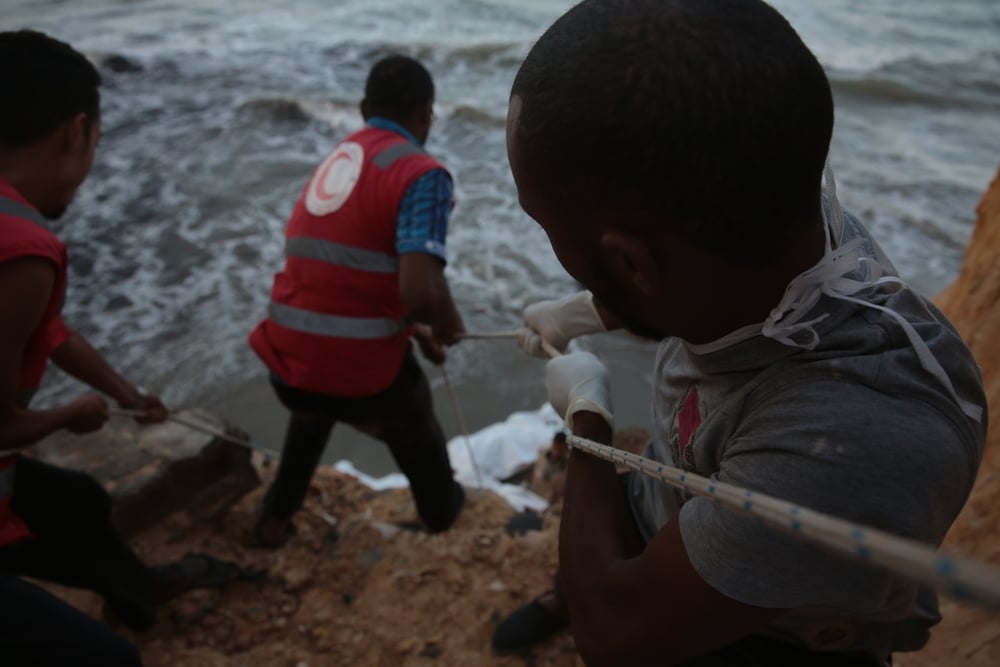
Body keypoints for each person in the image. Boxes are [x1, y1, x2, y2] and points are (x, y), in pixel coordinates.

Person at [491, 1, 987, 665]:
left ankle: (580, 586)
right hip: (674, 489)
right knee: (633, 513)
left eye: (543, 224)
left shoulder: (843, 444)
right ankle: (567, 589)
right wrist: (590, 309)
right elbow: (680, 272)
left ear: (633, 264)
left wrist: (588, 423)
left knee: (613, 596)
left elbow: (613, 636)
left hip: (772, 631)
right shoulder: (779, 228)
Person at [0, 30, 246, 665]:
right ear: (74, 133)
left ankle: (136, 592)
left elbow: (48, 333)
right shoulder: (23, 247)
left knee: (78, 500)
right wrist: (66, 416)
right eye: (95, 146)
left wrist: (125, 396)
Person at [249, 54, 467, 547]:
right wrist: (446, 323)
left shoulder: (338, 160)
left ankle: (273, 520)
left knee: (312, 415)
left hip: (287, 364)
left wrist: (418, 329)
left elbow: (352, 276)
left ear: (365, 107)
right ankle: (444, 518)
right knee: (416, 424)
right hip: (360, 378)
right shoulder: (421, 172)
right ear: (426, 114)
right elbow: (420, 292)